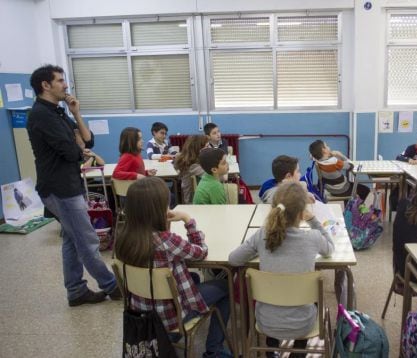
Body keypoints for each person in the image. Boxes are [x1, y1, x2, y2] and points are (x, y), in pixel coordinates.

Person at [27, 64, 120, 306]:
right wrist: (79, 147)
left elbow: (89, 140)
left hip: (68, 184)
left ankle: (76, 290)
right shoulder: (41, 115)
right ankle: (111, 286)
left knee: (71, 238)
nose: (65, 85)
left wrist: (76, 113)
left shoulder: (58, 112)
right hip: (60, 188)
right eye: (60, 81)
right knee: (87, 239)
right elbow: (71, 151)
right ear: (45, 85)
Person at [114, 177, 231, 358]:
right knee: (227, 287)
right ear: (160, 210)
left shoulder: (122, 239)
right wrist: (187, 219)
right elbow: (201, 252)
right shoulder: (167, 241)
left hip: (141, 315)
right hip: (170, 318)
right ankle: (214, 350)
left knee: (195, 278)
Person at [229, 182, 335, 358]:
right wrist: (313, 220)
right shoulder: (313, 238)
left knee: (274, 297)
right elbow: (330, 248)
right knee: (310, 298)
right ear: (302, 214)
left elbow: (234, 259)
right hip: (303, 324)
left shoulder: (262, 235)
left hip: (266, 322)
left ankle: (272, 350)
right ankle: (299, 352)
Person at [173, 135, 208, 204]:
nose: (209, 149)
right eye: (206, 147)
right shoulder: (193, 166)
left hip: (193, 198)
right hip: (192, 202)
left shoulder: (187, 160)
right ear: (198, 149)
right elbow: (214, 176)